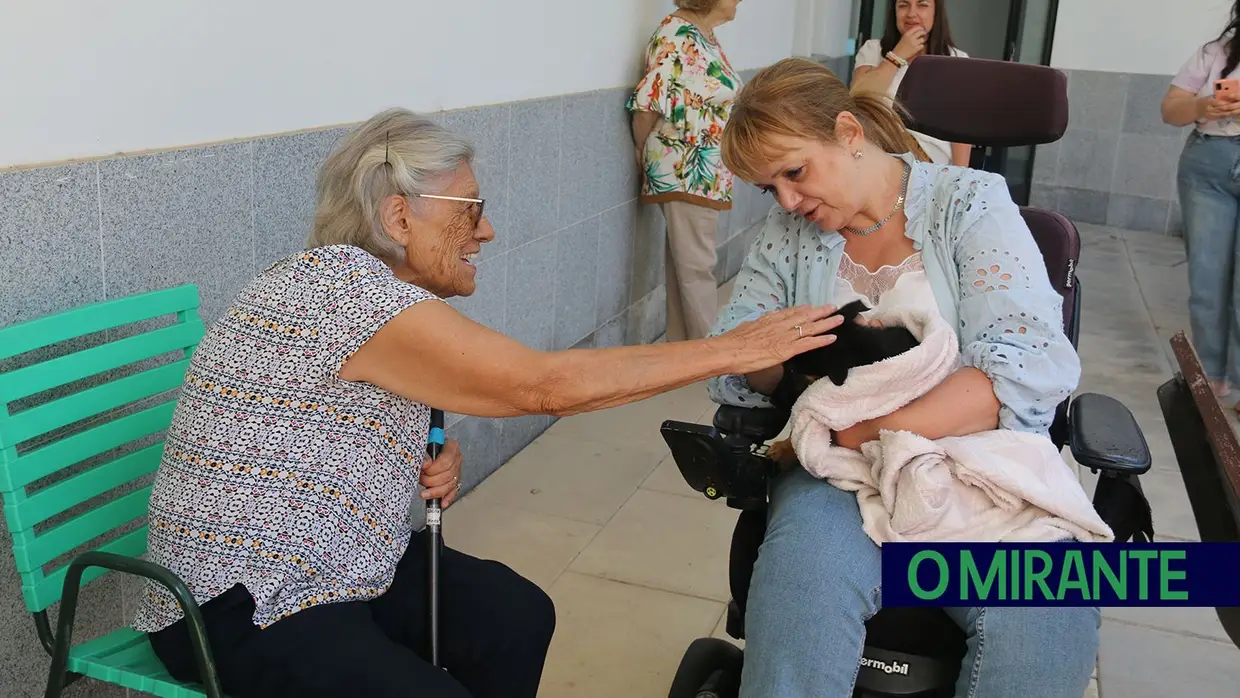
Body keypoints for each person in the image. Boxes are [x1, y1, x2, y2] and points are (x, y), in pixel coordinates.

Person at [133, 107, 846, 698]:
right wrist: (732, 348)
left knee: (515, 615)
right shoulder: (341, 290)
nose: (488, 231)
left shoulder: (370, 295)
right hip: (240, 604)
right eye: (472, 209)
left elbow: (322, 423)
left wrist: (411, 458)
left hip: (342, 569)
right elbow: (539, 386)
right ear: (398, 215)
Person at [706, 58, 1096, 697]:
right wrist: (760, 359)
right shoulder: (789, 234)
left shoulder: (970, 205)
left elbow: (1022, 366)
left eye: (795, 173)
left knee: (1046, 618)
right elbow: (738, 366)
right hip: (842, 478)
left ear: (849, 133)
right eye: (768, 187)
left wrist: (865, 429)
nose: (786, 201)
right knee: (806, 579)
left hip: (974, 463)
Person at [627, 0, 744, 341]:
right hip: (685, 169)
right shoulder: (677, 35)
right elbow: (649, 101)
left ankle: (683, 349)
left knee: (686, 267)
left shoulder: (701, 34)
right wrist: (641, 150)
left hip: (703, 172)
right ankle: (713, 360)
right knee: (697, 268)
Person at [1161, 0, 1240, 405]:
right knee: (1207, 280)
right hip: (1207, 164)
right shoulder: (1216, 52)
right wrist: (1204, 106)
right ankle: (1211, 378)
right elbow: (1170, 109)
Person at [852, 0, 972, 166]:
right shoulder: (873, 50)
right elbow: (858, 97)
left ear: (936, 12)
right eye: (903, 5)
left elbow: (961, 130)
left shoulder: (957, 59)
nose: (911, 13)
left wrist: (960, 179)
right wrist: (897, 55)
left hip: (929, 164)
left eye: (922, 5)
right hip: (876, 154)